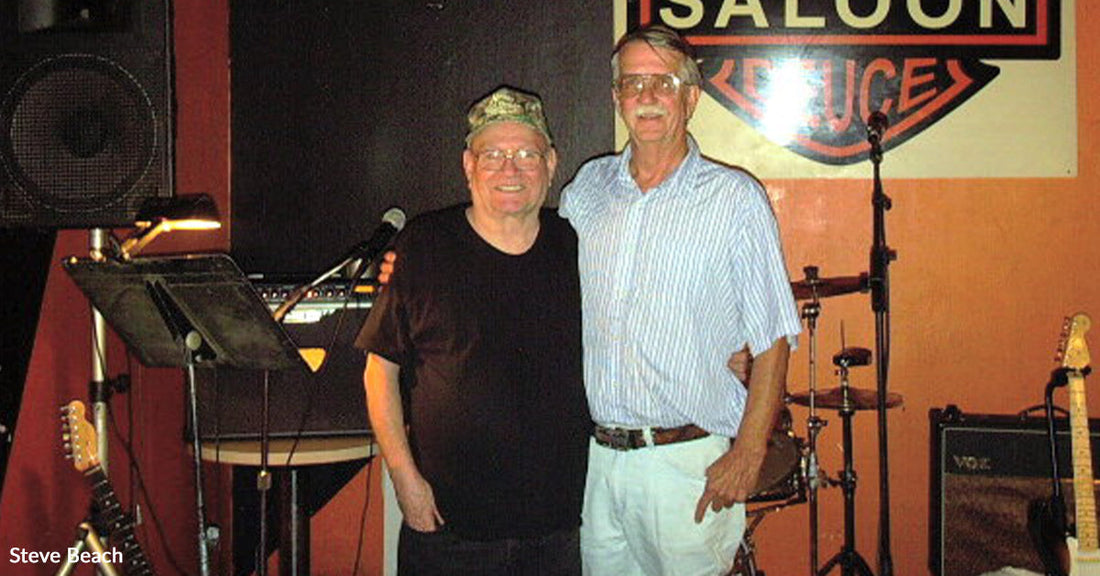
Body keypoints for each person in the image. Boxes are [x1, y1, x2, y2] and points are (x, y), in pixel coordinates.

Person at [558, 24, 801, 575]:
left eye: (663, 83)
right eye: (632, 82)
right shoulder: (586, 190)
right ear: (616, 97)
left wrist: (749, 452)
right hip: (598, 463)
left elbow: (773, 337)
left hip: (686, 464)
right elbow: (537, 274)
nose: (646, 95)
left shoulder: (734, 200)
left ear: (690, 98)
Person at [355, 87, 591, 576]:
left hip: (555, 528)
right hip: (446, 525)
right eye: (493, 155)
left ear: (551, 163)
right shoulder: (424, 246)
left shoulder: (579, 247)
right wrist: (403, 478)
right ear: (468, 165)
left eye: (526, 154)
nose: (510, 170)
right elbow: (379, 372)